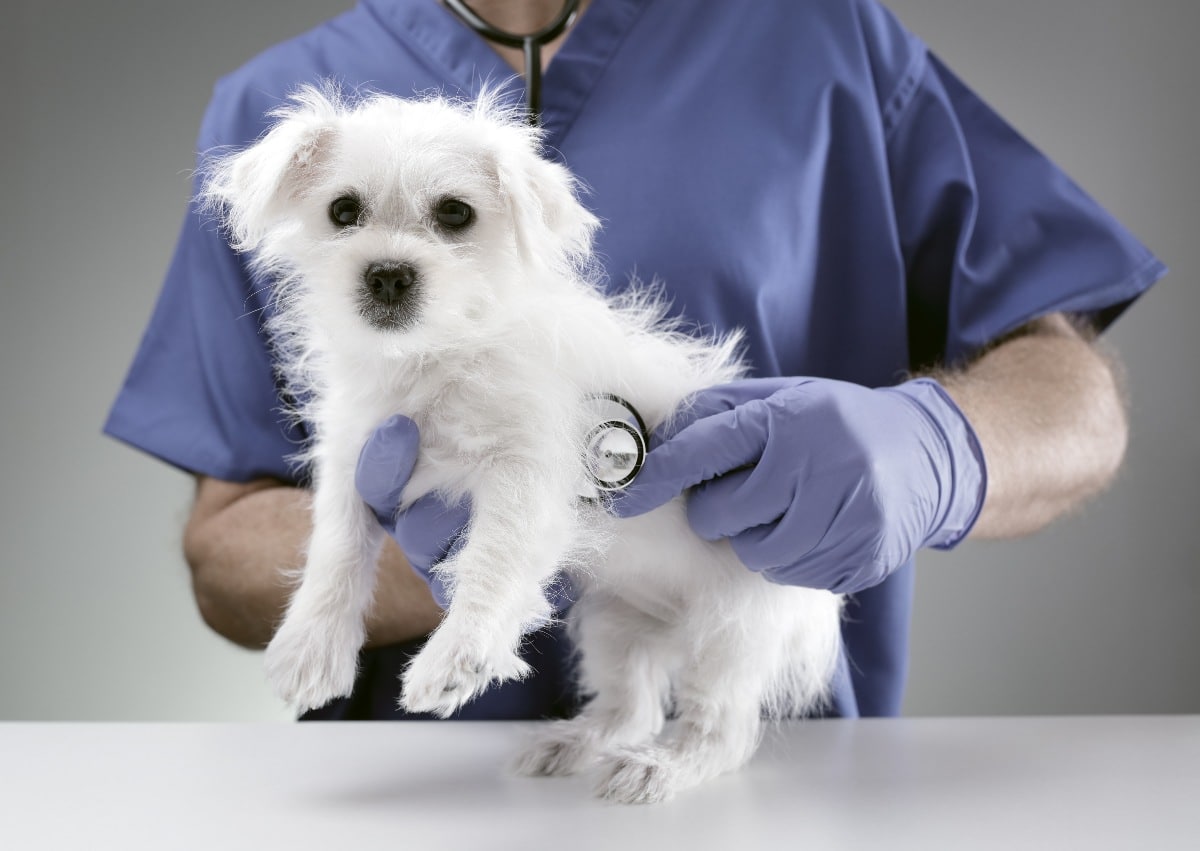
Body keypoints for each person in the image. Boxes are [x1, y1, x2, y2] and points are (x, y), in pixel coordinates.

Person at [105, 0, 1165, 720]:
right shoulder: (274, 113)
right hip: (422, 800)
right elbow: (227, 546)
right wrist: (482, 549)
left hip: (778, 779)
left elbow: (1070, 385)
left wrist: (936, 447)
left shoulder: (821, 38)